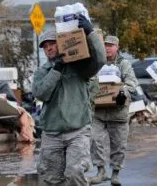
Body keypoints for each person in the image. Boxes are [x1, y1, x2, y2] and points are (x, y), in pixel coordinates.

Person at [32, 15, 106, 186]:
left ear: (61, 43)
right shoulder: (42, 71)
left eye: (52, 44)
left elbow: (100, 59)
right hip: (52, 133)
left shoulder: (79, 67)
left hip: (77, 130)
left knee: (74, 173)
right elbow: (41, 93)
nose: (49, 49)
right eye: (45, 47)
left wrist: (90, 32)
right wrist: (56, 69)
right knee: (52, 179)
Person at [89, 36, 138, 186]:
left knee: (118, 144)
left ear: (117, 47)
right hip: (98, 111)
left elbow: (132, 84)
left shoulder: (124, 64)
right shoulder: (97, 63)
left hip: (118, 112)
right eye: (105, 45)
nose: (108, 48)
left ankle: (115, 173)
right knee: (94, 140)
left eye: (111, 45)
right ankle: (101, 171)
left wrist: (122, 92)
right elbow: (89, 80)